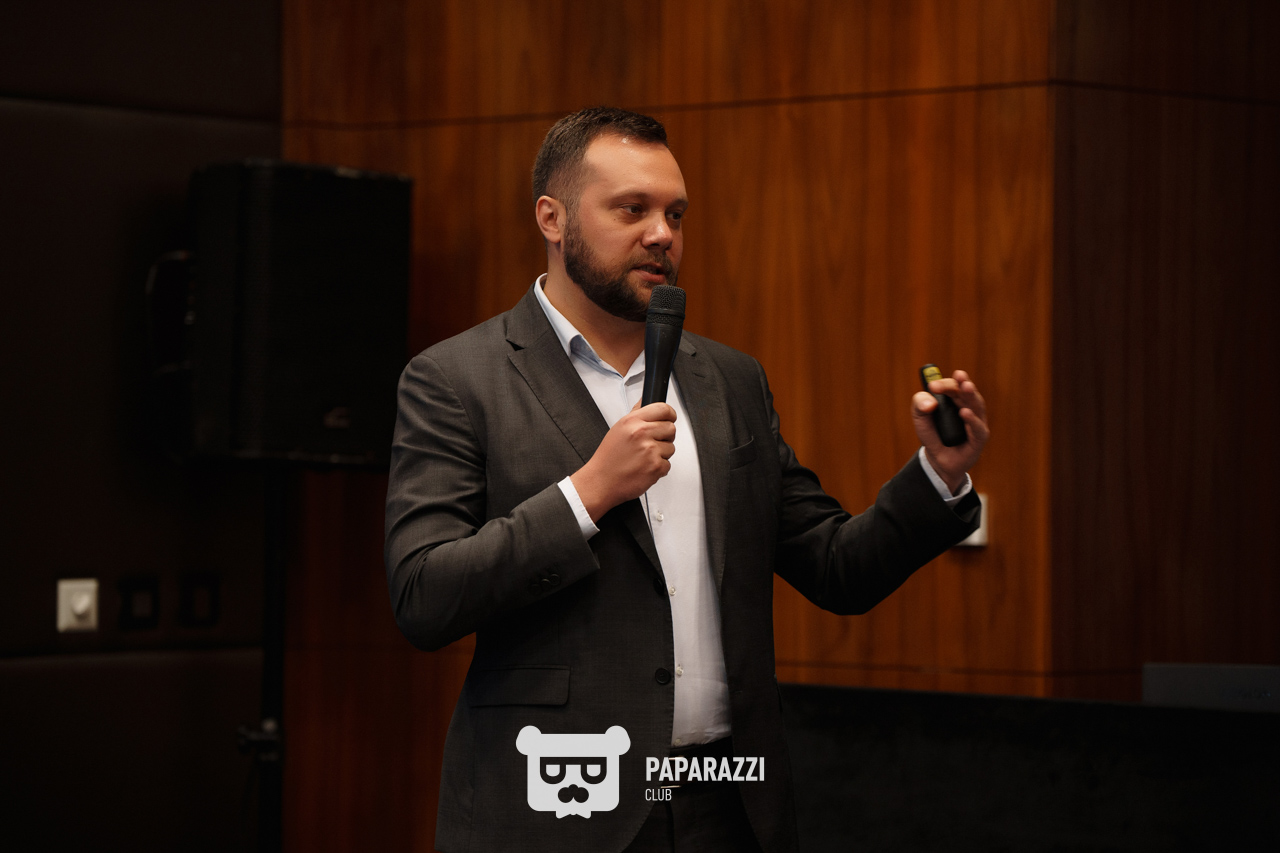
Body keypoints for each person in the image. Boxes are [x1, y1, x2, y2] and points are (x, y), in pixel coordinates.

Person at [385, 107, 988, 853]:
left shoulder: (729, 380)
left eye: (675, 214)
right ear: (552, 217)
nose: (662, 234)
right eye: (631, 209)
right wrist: (588, 493)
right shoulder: (457, 379)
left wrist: (939, 475)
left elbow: (837, 567)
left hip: (723, 801)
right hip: (560, 805)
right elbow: (423, 595)